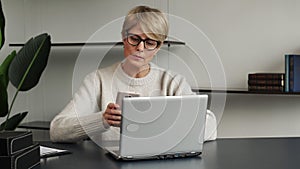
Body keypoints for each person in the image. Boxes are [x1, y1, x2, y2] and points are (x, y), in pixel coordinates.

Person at [50, 5, 217, 143]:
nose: (140, 48)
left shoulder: (173, 82)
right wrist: (103, 120)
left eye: (150, 42)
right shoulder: (97, 80)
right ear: (124, 37)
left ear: (158, 47)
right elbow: (57, 130)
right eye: (134, 39)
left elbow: (210, 126)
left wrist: (166, 125)